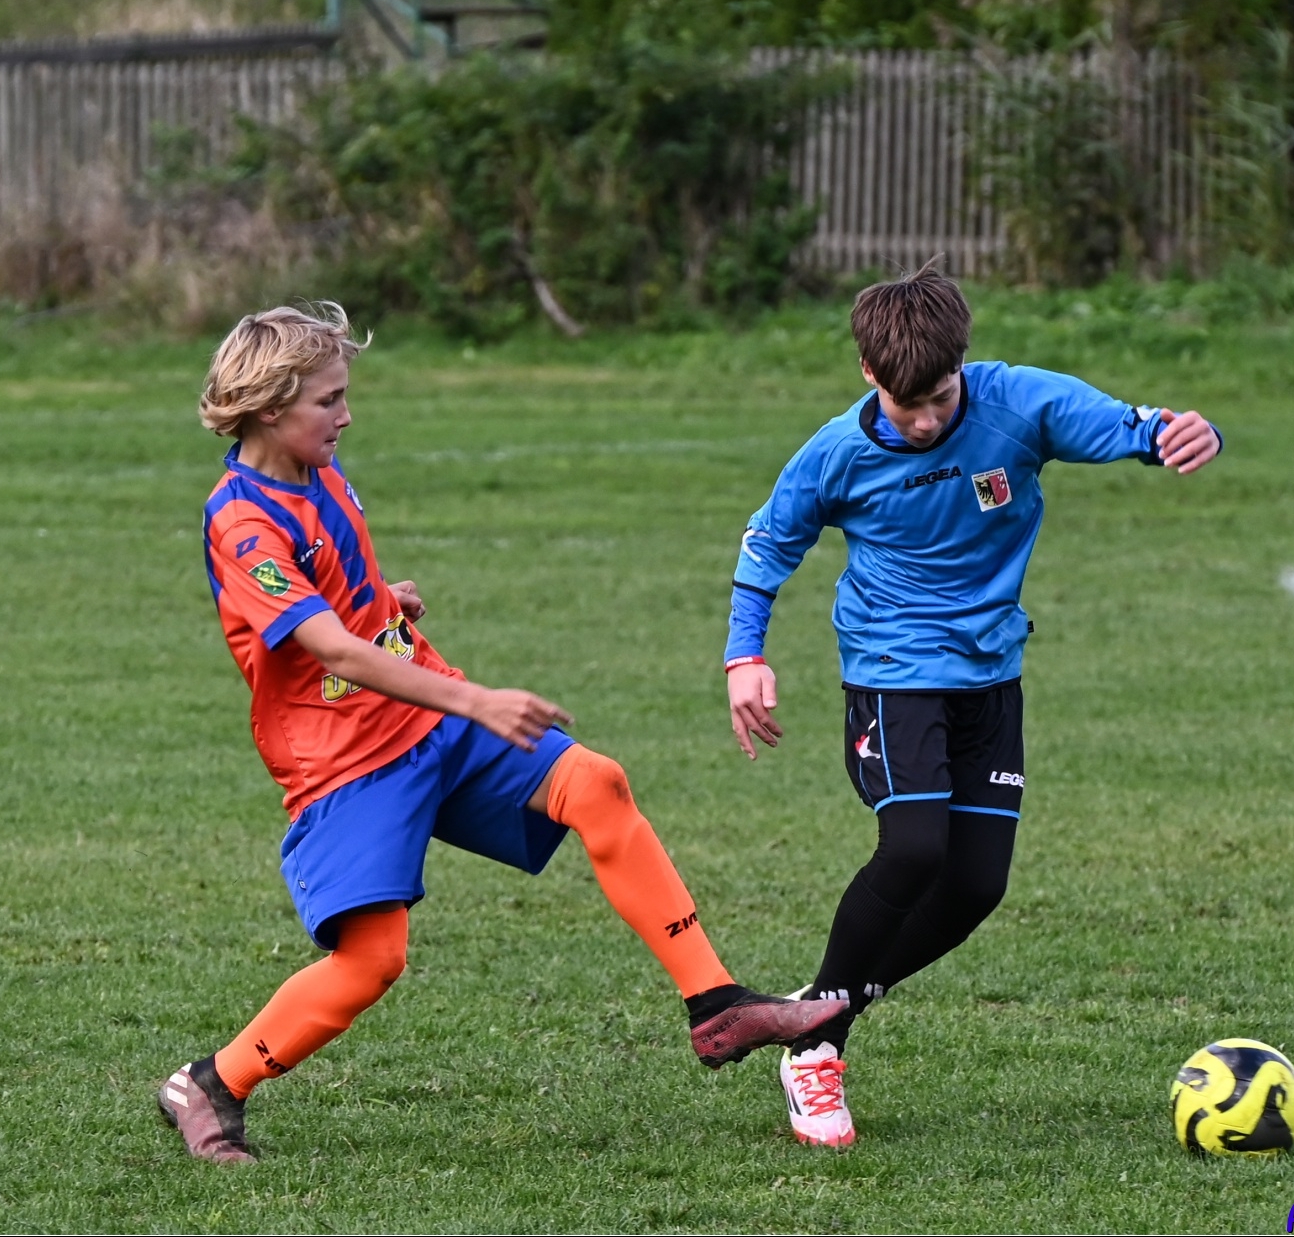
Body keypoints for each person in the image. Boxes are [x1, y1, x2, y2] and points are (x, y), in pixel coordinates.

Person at [157, 303, 844, 1164]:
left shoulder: (318, 469)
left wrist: (383, 601)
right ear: (268, 409)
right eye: (329, 400)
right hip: (347, 765)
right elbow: (331, 649)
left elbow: (334, 599)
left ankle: (715, 1004)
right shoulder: (243, 521)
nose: (347, 415)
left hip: (426, 717)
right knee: (372, 962)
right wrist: (477, 699)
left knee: (595, 783)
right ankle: (210, 1084)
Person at [723, 262, 1222, 1148]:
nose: (926, 420)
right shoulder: (837, 452)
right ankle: (815, 1050)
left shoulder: (1018, 403)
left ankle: (822, 1004)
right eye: (906, 404)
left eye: (941, 397)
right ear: (869, 375)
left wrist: (1187, 432)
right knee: (916, 845)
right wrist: (745, 655)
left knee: (976, 884)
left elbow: (1131, 425)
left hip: (990, 671)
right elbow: (769, 542)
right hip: (891, 669)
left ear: (963, 364)